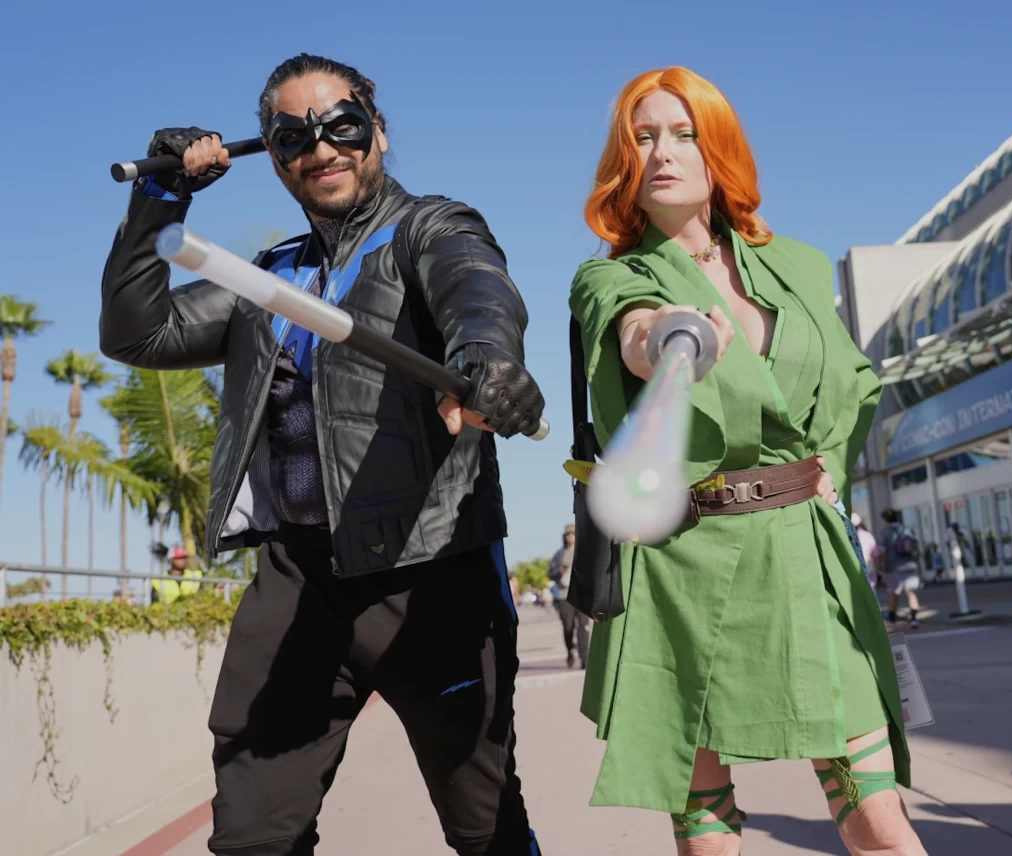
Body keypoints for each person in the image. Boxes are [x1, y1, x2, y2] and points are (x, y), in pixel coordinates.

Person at [100, 54, 545, 856]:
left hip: (430, 571)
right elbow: (138, 333)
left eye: (342, 125)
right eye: (292, 137)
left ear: (378, 130)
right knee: (252, 838)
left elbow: (477, 290)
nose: (322, 149)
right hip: (297, 579)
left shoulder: (429, 229)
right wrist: (157, 199)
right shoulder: (268, 279)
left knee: (487, 832)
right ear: (273, 159)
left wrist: (490, 361)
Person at [569, 67, 925, 856]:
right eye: (642, 137)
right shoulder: (611, 276)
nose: (663, 152)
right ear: (624, 160)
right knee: (708, 836)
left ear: (718, 148)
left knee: (878, 820)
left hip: (803, 550)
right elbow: (633, 331)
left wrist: (829, 465)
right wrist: (671, 335)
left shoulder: (797, 264)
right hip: (682, 564)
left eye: (684, 133)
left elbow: (854, 380)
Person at [549, 524, 589, 668]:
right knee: (568, 627)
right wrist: (560, 571)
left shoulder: (584, 551)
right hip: (564, 595)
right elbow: (550, 573)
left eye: (573, 534)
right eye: (568, 534)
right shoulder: (559, 554)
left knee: (583, 626)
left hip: (582, 594)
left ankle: (584, 657)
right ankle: (570, 651)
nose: (571, 537)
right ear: (565, 537)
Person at [881, 509, 922, 631]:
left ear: (886, 520)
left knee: (894, 593)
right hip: (910, 566)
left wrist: (881, 568)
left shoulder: (885, 532)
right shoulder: (906, 529)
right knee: (911, 593)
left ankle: (892, 617)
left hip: (894, 567)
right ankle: (914, 618)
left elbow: (882, 551)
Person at [851, 513, 878, 589]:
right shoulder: (867, 535)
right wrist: (878, 568)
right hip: (869, 568)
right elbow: (875, 554)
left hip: (855, 570)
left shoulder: (848, 537)